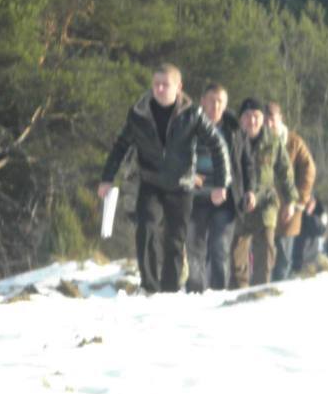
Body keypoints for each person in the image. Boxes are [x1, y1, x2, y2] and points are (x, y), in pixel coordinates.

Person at [98, 64, 230, 294]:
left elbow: (217, 145)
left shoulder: (192, 114)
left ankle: (169, 290)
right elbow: (120, 146)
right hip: (150, 181)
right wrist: (107, 178)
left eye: (165, 84)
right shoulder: (139, 113)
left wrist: (221, 183)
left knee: (174, 240)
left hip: (181, 185)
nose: (159, 89)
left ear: (179, 87)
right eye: (156, 84)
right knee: (146, 229)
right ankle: (149, 286)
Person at [185, 83, 255, 292]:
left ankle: (218, 294)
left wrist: (250, 190)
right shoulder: (188, 125)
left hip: (225, 197)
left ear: (225, 104)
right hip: (195, 196)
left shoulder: (234, 130)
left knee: (219, 248)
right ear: (202, 102)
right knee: (195, 248)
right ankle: (195, 293)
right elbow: (176, 156)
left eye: (220, 102)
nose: (215, 106)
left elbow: (247, 163)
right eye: (211, 100)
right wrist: (189, 174)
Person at [231, 98, 298, 288]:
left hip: (265, 202)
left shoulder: (273, 141)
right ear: (240, 119)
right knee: (236, 259)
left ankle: (260, 291)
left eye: (256, 117)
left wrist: (290, 201)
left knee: (266, 250)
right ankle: (238, 294)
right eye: (247, 116)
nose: (252, 121)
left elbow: (285, 172)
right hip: (239, 204)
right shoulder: (233, 139)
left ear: (263, 119)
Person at [266, 102, 316, 282]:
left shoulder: (294, 142)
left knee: (284, 257)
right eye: (266, 120)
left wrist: (300, 200)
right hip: (265, 207)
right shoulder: (258, 140)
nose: (269, 124)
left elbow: (309, 170)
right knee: (264, 256)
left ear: (280, 119)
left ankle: (279, 290)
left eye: (272, 119)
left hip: (289, 207)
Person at [291, 194, 328, 274]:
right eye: (310, 204)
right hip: (303, 259)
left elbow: (321, 230)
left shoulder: (312, 216)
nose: (312, 206)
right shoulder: (307, 217)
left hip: (308, 256)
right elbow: (319, 230)